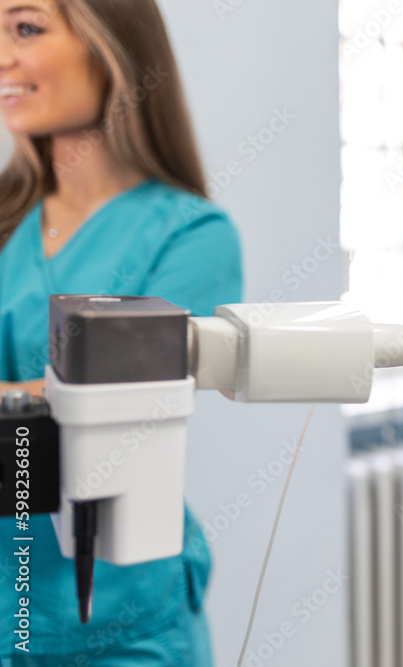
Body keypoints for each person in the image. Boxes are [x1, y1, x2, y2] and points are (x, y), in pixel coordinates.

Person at [0, 0, 241, 664]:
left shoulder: (190, 235)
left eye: (25, 28)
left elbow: (104, 410)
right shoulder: (5, 221)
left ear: (110, 47)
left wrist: (36, 401)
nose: (1, 56)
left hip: (122, 627)